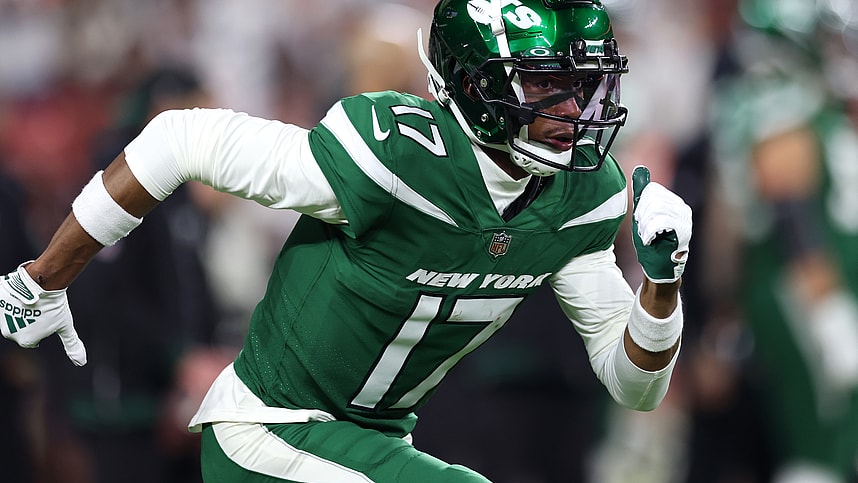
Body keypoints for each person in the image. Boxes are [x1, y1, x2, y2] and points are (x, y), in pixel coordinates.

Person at [0, 1, 693, 481]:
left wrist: (660, 286)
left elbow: (634, 386)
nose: (575, 113)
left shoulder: (583, 197)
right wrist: (43, 278)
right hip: (269, 431)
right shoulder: (394, 156)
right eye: (548, 85)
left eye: (585, 87)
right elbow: (180, 137)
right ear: (476, 84)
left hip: (371, 444)